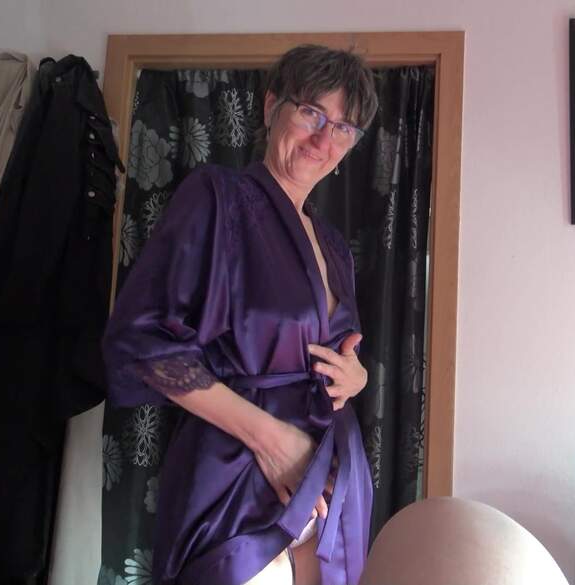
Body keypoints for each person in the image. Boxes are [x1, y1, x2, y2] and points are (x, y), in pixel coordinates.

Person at [101, 44, 379, 585]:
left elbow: (330, 349)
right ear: (272, 106)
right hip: (236, 477)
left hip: (329, 480)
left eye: (343, 128)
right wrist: (271, 442)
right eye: (312, 113)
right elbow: (142, 341)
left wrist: (357, 377)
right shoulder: (218, 197)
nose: (323, 139)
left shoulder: (333, 244)